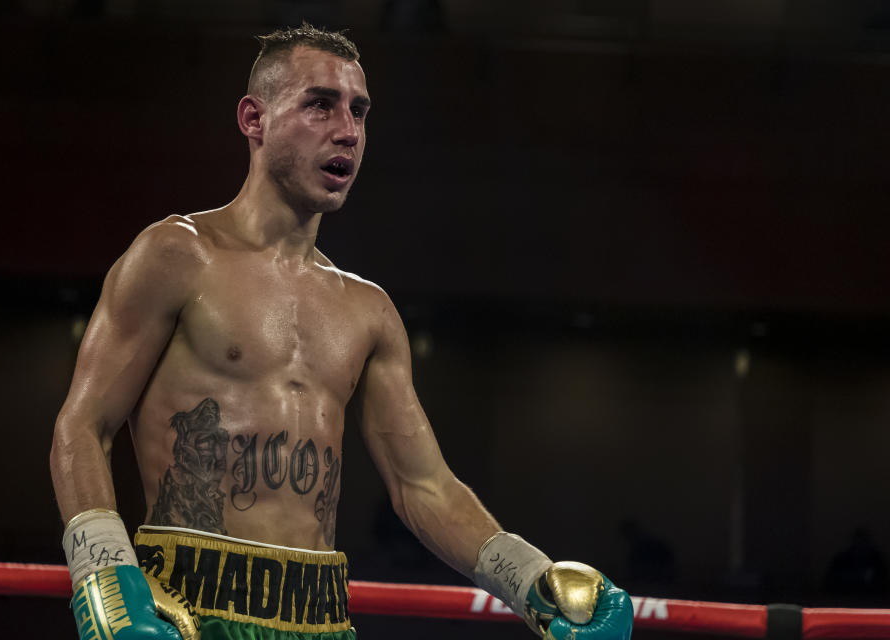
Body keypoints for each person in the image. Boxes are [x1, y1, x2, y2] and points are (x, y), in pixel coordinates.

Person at [49, 23, 633, 640]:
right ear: (255, 118)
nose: (347, 131)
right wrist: (104, 579)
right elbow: (82, 426)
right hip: (185, 607)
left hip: (319, 616)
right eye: (319, 104)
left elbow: (423, 485)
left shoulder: (368, 310)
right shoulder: (176, 255)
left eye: (359, 111)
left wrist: (532, 581)